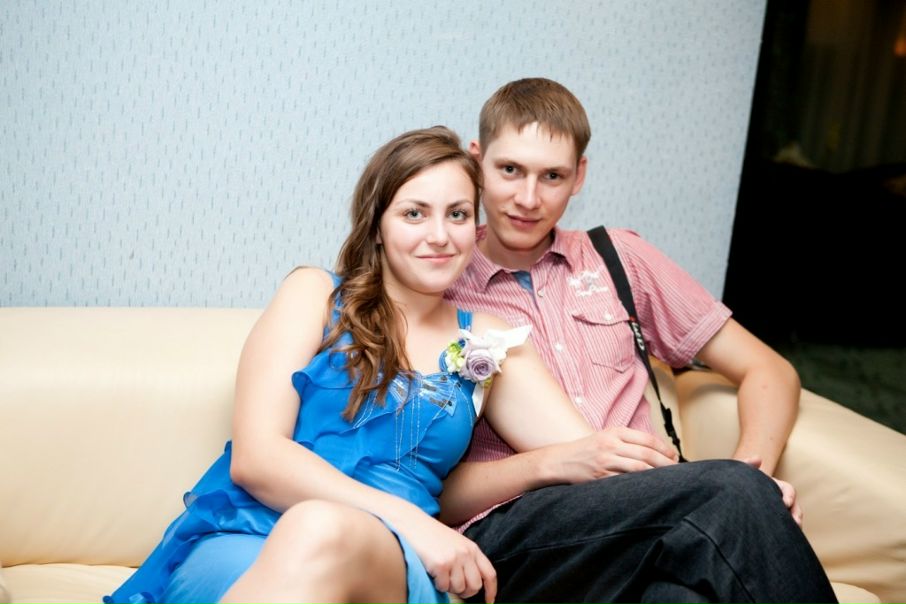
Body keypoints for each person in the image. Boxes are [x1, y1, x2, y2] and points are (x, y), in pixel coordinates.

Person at [104, 125, 594, 604]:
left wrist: (555, 465)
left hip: (383, 562)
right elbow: (257, 457)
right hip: (248, 538)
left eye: (458, 214)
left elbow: (588, 456)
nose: (440, 236)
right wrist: (417, 524)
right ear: (377, 225)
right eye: (414, 213)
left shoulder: (487, 339)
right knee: (314, 526)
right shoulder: (314, 294)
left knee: (322, 527)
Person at [440, 78, 838, 603]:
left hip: (648, 517)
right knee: (732, 494)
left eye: (553, 176)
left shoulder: (618, 258)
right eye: (510, 170)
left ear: (580, 176)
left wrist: (750, 471)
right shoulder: (438, 278)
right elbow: (416, 480)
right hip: (516, 533)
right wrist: (731, 491)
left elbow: (770, 370)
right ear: (477, 162)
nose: (528, 199)